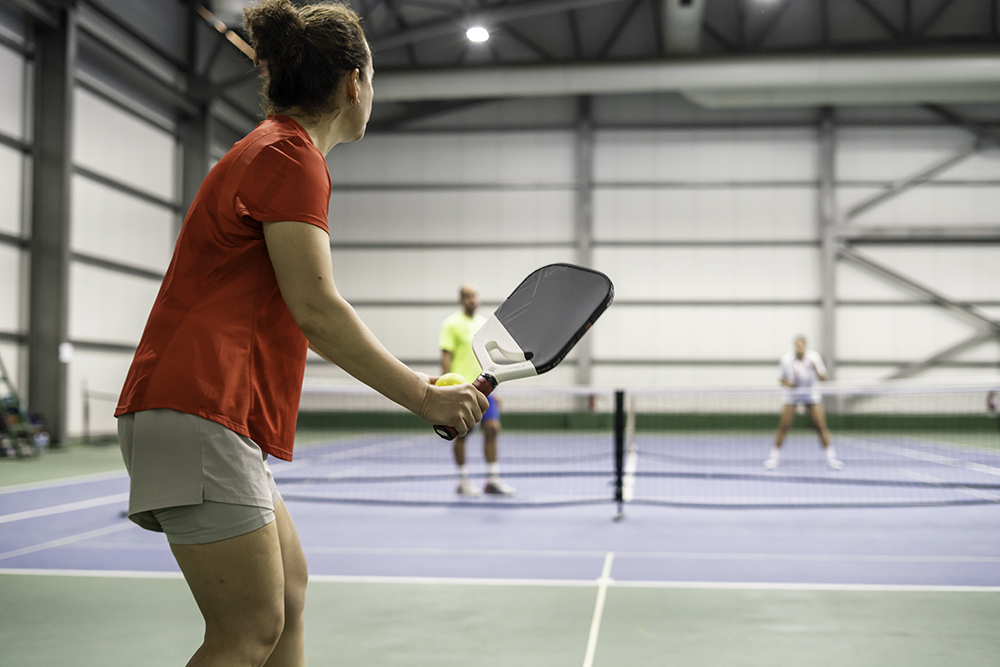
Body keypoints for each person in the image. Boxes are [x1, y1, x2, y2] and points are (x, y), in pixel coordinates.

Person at [114, 3, 488, 666]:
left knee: (288, 591)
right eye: (373, 77)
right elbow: (316, 308)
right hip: (198, 406)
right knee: (247, 630)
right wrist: (424, 396)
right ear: (353, 83)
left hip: (210, 413)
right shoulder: (290, 157)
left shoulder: (273, 150)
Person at [439, 284, 515, 496]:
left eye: (474, 296)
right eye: (467, 296)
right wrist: (445, 390)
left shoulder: (483, 324)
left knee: (492, 428)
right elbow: (446, 358)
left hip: (486, 389)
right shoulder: (451, 324)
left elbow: (490, 361)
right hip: (461, 389)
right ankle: (463, 481)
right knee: (462, 434)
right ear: (460, 300)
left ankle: (492, 480)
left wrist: (495, 389)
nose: (472, 300)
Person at [764, 335, 842, 471]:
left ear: (805, 346)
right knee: (784, 426)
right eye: (797, 346)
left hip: (810, 394)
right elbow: (781, 379)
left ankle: (831, 458)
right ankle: (773, 458)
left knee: (820, 425)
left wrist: (815, 368)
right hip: (792, 394)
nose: (799, 349)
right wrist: (789, 384)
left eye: (801, 346)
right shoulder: (786, 359)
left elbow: (823, 377)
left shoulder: (814, 358)